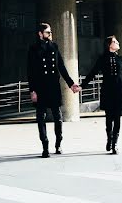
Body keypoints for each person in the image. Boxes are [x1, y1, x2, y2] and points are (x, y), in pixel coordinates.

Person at [27, 22, 80, 158]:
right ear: (40, 34)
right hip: (40, 88)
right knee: (41, 118)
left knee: (58, 118)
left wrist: (71, 84)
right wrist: (32, 90)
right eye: (47, 32)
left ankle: (58, 144)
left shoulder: (54, 47)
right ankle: (45, 146)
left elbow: (61, 67)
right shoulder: (33, 49)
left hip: (54, 87)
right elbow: (30, 72)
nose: (50, 35)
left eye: (50, 32)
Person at [81, 35, 122, 154]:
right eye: (115, 41)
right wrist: (82, 86)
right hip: (107, 91)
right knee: (109, 118)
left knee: (117, 118)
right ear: (109, 44)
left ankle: (115, 143)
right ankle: (109, 139)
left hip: (119, 91)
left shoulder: (120, 59)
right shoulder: (102, 59)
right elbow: (92, 73)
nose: (118, 43)